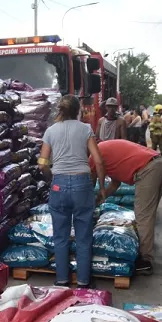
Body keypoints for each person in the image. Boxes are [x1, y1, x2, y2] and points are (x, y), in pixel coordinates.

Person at [40, 95, 105, 287]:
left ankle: (62, 280)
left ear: (60, 110)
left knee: (60, 236)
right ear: (78, 110)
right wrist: (101, 187)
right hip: (82, 184)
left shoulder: (51, 131)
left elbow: (42, 163)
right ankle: (84, 281)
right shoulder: (85, 129)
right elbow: (99, 161)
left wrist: (51, 178)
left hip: (58, 184)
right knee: (84, 236)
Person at [90, 138, 162, 275]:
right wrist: (100, 199)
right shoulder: (107, 151)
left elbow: (90, 183)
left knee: (143, 215)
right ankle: (147, 248)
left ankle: (145, 261)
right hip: (159, 164)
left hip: (148, 169)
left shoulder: (95, 154)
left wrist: (89, 200)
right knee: (149, 213)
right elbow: (115, 184)